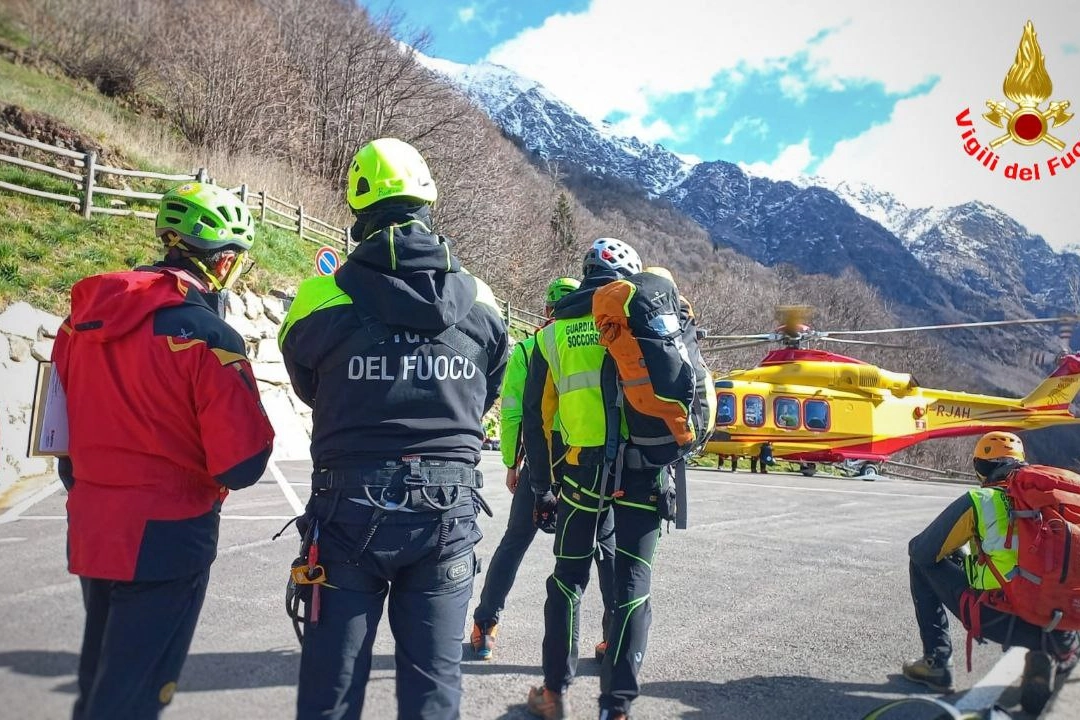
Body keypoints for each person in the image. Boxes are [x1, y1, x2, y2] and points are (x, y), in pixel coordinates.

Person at [279, 137, 508, 720]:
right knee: (433, 689)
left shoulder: (317, 297)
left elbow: (309, 385)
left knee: (331, 687)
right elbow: (489, 390)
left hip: (346, 505)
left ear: (358, 206)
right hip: (448, 508)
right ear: (428, 199)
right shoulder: (484, 302)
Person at [52, 182, 275, 719]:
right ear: (222, 263)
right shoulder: (207, 336)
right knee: (135, 695)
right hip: (169, 535)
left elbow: (58, 442)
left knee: (100, 679)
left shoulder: (80, 322)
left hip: (93, 526)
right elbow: (243, 464)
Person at [522, 237, 662, 720]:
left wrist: (541, 486)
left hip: (582, 477)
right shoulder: (645, 319)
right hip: (645, 475)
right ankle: (617, 708)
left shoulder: (552, 334)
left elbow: (536, 422)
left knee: (567, 580)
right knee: (632, 586)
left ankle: (554, 694)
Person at [470, 277, 616, 662]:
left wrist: (510, 464)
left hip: (543, 465)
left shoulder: (535, 344)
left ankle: (485, 625)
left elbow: (517, 410)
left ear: (549, 309)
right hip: (591, 463)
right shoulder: (607, 336)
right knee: (602, 550)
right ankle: (612, 637)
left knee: (515, 542)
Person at [903, 431, 1079, 712]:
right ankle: (1050, 656)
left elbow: (923, 551)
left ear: (981, 468)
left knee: (920, 561)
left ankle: (937, 663)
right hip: (1065, 624)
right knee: (1047, 577)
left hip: (1002, 618)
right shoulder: (1058, 500)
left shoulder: (982, 499)